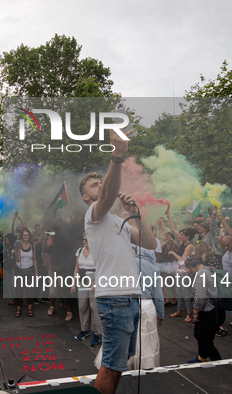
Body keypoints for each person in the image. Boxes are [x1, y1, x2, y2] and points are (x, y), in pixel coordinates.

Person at [79, 127, 157, 394]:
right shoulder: (94, 215)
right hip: (115, 297)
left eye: (102, 182)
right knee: (112, 364)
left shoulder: (120, 221)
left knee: (120, 362)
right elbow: (105, 198)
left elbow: (150, 243)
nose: (100, 186)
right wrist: (117, 157)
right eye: (95, 185)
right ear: (86, 197)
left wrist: (136, 213)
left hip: (130, 297)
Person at [185, 256, 225, 363]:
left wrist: (195, 311)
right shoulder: (210, 270)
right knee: (202, 336)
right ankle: (202, 357)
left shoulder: (201, 274)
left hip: (208, 312)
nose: (190, 270)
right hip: (216, 309)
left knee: (204, 340)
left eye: (189, 267)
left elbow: (200, 297)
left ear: (193, 265)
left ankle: (219, 363)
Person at [72, 233, 102, 347]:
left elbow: (101, 269)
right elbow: (77, 267)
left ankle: (97, 333)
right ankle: (84, 329)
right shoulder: (79, 251)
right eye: (83, 239)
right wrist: (74, 282)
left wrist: (98, 283)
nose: (85, 241)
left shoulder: (96, 252)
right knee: (82, 306)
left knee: (94, 307)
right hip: (82, 280)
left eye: (87, 240)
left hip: (94, 279)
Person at [166, 212, 196, 324]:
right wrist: (168, 216)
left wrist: (173, 253)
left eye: (182, 235)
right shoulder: (182, 242)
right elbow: (173, 229)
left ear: (188, 236)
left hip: (185, 272)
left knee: (186, 294)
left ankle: (190, 314)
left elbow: (183, 260)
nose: (180, 236)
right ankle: (179, 310)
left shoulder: (190, 246)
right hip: (179, 271)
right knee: (179, 292)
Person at [13, 227, 37, 318]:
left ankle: (30, 308)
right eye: (24, 235)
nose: (26, 236)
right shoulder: (18, 245)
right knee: (18, 290)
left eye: (27, 234)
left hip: (30, 270)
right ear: (21, 236)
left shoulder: (32, 246)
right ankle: (18, 308)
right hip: (19, 271)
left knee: (30, 291)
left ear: (29, 236)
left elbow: (35, 260)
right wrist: (16, 250)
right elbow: (17, 260)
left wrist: (36, 272)